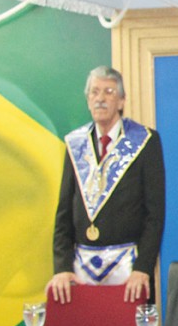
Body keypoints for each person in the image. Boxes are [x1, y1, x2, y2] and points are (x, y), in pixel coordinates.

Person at [51, 67, 165, 303]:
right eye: (94, 92)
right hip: (81, 270)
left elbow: (155, 215)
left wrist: (143, 267)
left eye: (108, 92)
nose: (100, 99)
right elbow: (64, 213)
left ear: (122, 101)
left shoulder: (145, 141)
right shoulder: (75, 143)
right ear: (87, 100)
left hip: (128, 268)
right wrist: (62, 267)